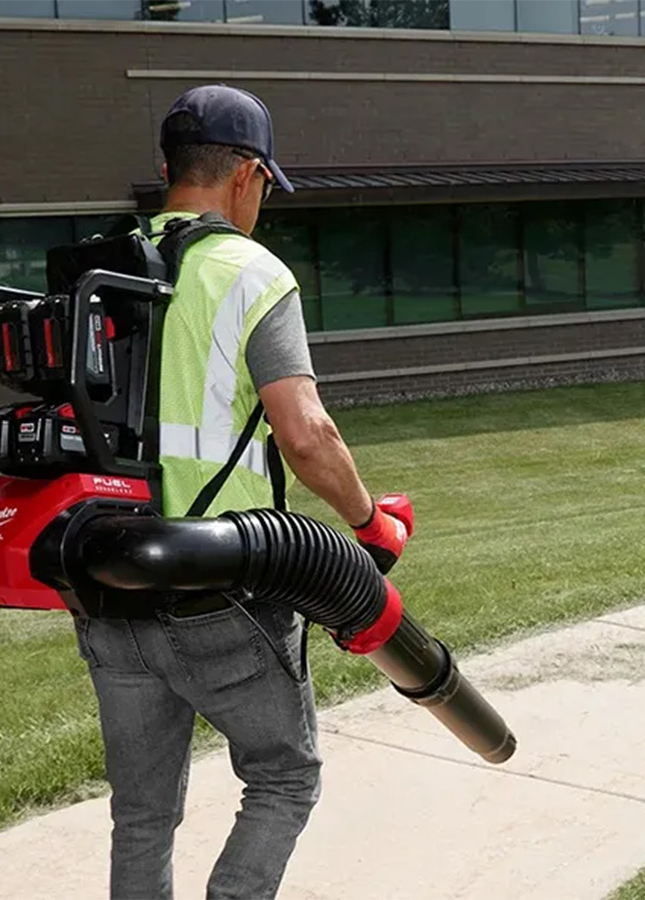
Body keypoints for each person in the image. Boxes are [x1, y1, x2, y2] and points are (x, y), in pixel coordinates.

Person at [73, 84, 412, 900]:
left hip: (106, 587)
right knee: (284, 777)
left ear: (167, 170)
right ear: (249, 175)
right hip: (223, 589)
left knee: (143, 812)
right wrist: (371, 521)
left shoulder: (100, 266)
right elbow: (307, 434)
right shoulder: (251, 273)